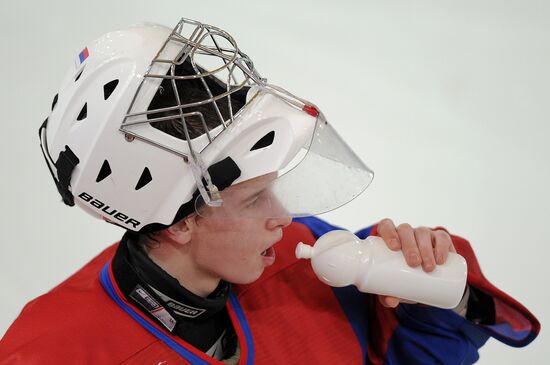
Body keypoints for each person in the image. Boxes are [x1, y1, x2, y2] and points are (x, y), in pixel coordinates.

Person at [0, 18, 540, 364]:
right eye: (255, 198)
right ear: (182, 221)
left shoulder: (301, 257)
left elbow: (420, 356)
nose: (284, 218)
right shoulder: (46, 352)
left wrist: (433, 298)